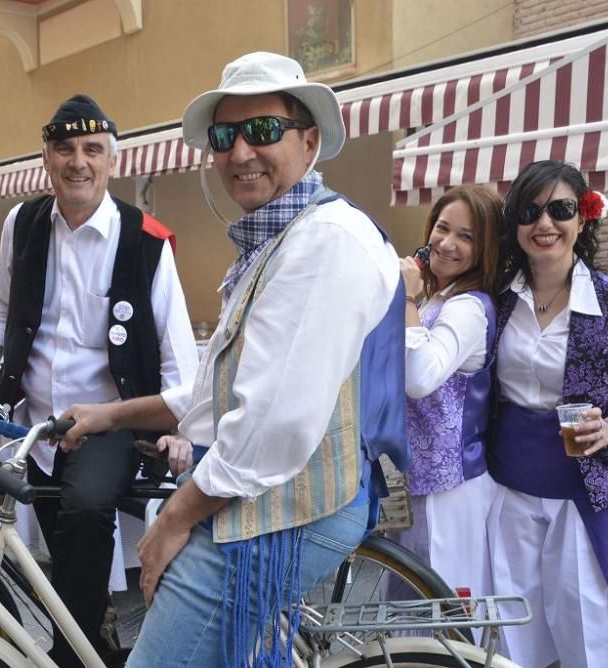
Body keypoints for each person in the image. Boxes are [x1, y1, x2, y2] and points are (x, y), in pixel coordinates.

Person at [58, 52, 406, 667]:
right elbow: (222, 392)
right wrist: (115, 417)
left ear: (310, 140)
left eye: (264, 130)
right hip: (269, 494)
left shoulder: (323, 242)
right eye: (225, 135)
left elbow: (272, 423)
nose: (241, 151)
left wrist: (173, 519)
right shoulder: (282, 237)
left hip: (289, 510)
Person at [0, 94, 198, 666]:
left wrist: (183, 425)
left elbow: (179, 354)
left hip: (112, 420)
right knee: (25, 533)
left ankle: (73, 655)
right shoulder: (23, 223)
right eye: (65, 149)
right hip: (34, 421)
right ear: (47, 158)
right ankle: (80, 638)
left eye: (92, 150)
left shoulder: (144, 240)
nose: (78, 162)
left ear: (112, 161)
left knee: (87, 509)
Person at [487, 159, 608, 667]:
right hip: (511, 494)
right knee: (517, 636)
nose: (545, 224)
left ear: (583, 219)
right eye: (531, 211)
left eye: (560, 209)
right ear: (515, 224)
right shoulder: (497, 300)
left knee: (589, 635)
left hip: (589, 494)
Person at [385, 185, 501, 617]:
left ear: (485, 248)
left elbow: (419, 378)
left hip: (449, 490)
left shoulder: (469, 307)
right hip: (416, 479)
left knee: (437, 609)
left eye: (467, 237)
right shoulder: (439, 298)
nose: (447, 243)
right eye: (442, 228)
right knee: (407, 603)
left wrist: (409, 297)